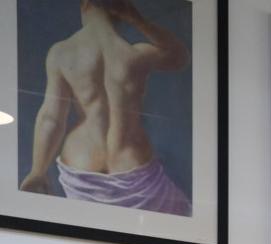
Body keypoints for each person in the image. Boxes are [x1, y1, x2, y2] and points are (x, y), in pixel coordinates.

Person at [21, 0, 192, 215]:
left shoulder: (61, 53)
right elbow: (180, 57)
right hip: (131, 163)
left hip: (82, 162)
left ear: (85, 5)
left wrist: (38, 171)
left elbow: (51, 118)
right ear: (121, 12)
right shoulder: (135, 54)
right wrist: (139, 21)